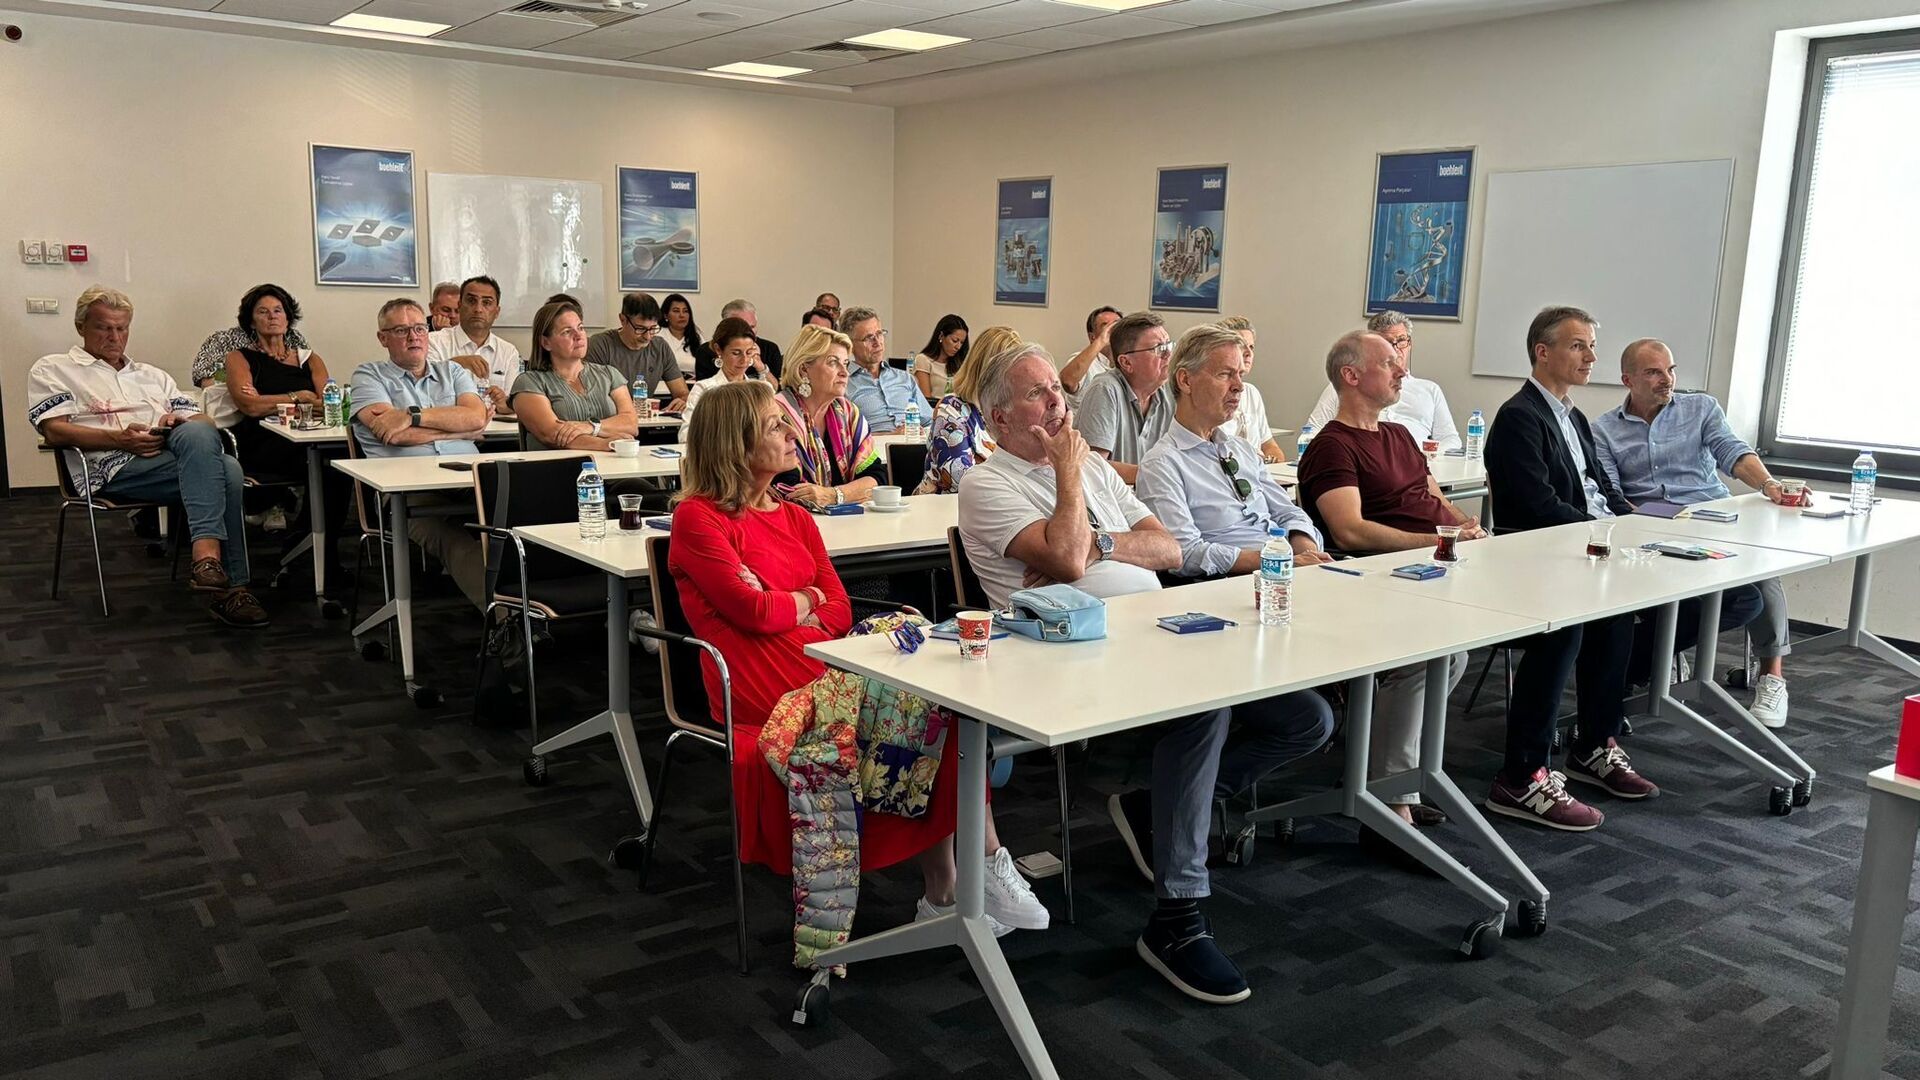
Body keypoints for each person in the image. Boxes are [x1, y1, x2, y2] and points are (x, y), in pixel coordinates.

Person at [669, 379, 1046, 934]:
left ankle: (965, 879)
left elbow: (839, 609)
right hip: (765, 696)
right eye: (775, 425)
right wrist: (803, 601)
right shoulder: (699, 518)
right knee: (926, 719)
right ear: (734, 442)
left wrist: (793, 602)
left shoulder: (795, 516)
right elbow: (752, 612)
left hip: (832, 674)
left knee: (944, 714)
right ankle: (954, 887)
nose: (792, 432)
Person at [956, 342, 1251, 1005]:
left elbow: (1169, 547)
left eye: (1056, 391)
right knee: (1205, 709)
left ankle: (1157, 807)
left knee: (1302, 716)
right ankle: (1177, 918)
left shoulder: (1094, 469)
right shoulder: (987, 484)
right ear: (999, 418)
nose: (1057, 403)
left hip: (1154, 632)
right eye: (1037, 394)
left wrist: (1102, 541)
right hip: (1066, 656)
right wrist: (1068, 477)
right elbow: (1065, 561)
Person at [1484, 306, 1760, 830]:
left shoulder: (1573, 417)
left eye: (1592, 346)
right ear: (1543, 352)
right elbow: (1536, 507)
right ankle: (1521, 776)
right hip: (1544, 559)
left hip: (1589, 548)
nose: (1591, 356)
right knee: (1569, 630)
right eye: (1578, 346)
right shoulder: (1520, 417)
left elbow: (1602, 489)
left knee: (1622, 617)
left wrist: (1628, 524)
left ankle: (1593, 745)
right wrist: (1607, 533)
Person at [1128, 324, 1339, 865]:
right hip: (1226, 604)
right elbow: (1185, 553)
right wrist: (1274, 561)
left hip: (1285, 583)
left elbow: (1290, 509)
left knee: (1353, 681)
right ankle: (1172, 804)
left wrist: (1300, 545)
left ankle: (1175, 801)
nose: (1238, 387)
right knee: (1311, 719)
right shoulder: (1163, 463)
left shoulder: (1239, 449)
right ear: (1185, 380)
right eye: (1225, 374)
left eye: (1240, 375)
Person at [1294, 329, 1485, 849]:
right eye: (1388, 362)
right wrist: (1439, 541)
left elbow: (1433, 499)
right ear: (1351, 376)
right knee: (1428, 659)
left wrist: (1467, 528)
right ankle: (1389, 799)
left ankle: (1394, 778)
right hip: (1373, 581)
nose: (1402, 370)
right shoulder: (1332, 446)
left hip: (1428, 570)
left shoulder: (1399, 435)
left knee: (1455, 655)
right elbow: (1350, 532)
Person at [29, 286, 267, 627]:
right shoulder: (53, 368)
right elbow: (55, 431)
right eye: (103, 327)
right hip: (108, 467)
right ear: (81, 327)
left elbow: (204, 421)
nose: (114, 337)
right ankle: (227, 584)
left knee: (201, 435)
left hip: (169, 456)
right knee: (227, 470)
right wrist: (119, 439)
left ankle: (209, 563)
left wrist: (175, 420)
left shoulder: (153, 375)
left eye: (121, 328)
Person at [1592, 338, 1798, 726]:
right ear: (1628, 380)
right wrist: (1640, 520)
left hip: (1712, 517)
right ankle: (1666, 650)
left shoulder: (1700, 408)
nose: (1666, 379)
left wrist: (1768, 484)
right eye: (1653, 372)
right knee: (1648, 576)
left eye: (1670, 370)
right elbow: (1610, 492)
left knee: (1762, 571)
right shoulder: (1603, 429)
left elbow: (1733, 452)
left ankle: (1772, 678)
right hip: (1651, 527)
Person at [350, 298, 493, 608]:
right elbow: (394, 435)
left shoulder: (453, 371)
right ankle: (510, 622)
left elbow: (475, 417)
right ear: (383, 338)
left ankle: (551, 605)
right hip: (407, 493)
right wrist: (458, 431)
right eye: (402, 330)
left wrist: (411, 415)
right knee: (453, 539)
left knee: (525, 518)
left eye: (419, 328)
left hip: (468, 480)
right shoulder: (368, 376)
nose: (413, 336)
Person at [220, 283, 350, 578]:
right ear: (251, 321)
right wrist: (298, 396)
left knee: (341, 461)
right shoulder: (239, 358)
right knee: (330, 468)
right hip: (263, 444)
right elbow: (250, 406)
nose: (272, 317)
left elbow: (326, 402)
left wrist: (273, 401)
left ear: (288, 317)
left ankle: (310, 543)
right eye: (263, 312)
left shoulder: (309, 358)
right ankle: (312, 549)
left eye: (278, 310)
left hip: (307, 439)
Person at [1302, 311, 1459, 451]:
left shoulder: (1429, 390)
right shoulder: (1350, 383)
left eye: (1401, 340)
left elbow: (1451, 440)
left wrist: (1424, 456)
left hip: (1419, 464)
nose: (1395, 349)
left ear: (1410, 344)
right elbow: (1312, 432)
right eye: (1386, 343)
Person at [773, 324, 887, 507]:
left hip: (845, 519)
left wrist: (834, 495)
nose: (844, 372)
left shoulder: (848, 413)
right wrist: (852, 493)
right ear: (803, 369)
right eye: (833, 362)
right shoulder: (776, 415)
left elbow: (877, 478)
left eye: (846, 363)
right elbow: (788, 488)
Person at [509, 299, 641, 452]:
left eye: (581, 328)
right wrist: (606, 443)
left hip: (613, 462)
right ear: (546, 343)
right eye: (567, 332)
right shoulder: (529, 382)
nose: (579, 336)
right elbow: (552, 433)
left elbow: (630, 423)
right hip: (558, 464)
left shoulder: (609, 374)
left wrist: (590, 427)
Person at [916, 326, 1020, 495]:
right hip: (946, 506)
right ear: (987, 371)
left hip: (1000, 502)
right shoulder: (951, 410)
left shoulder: (1011, 411)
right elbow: (960, 481)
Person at [1074, 311, 1174, 485]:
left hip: (1154, 492)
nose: (1168, 355)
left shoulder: (1169, 391)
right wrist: (1155, 475)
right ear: (1126, 363)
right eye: (1158, 349)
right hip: (1113, 497)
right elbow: (1092, 467)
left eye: (1168, 345)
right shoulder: (1105, 389)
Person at [425, 275, 522, 415]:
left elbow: (511, 403)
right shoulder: (433, 342)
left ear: (497, 312)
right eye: (471, 301)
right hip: (446, 426)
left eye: (487, 303)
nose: (478, 309)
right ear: (460, 306)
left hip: (495, 427)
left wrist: (504, 404)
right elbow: (423, 389)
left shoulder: (508, 352)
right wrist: (456, 364)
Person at [584, 291, 688, 412]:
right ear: (623, 320)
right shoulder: (600, 345)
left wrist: (682, 402)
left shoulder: (660, 347)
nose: (648, 337)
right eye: (640, 329)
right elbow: (591, 398)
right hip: (610, 419)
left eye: (653, 328)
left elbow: (682, 393)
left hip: (645, 418)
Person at [679, 316, 775, 442]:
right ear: (718, 350)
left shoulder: (763, 389)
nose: (744, 360)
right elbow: (685, 436)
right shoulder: (704, 389)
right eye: (736, 353)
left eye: (749, 352)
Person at [840, 306, 929, 435]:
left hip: (914, 443)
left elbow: (929, 422)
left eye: (879, 334)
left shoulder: (905, 378)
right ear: (850, 345)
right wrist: (891, 436)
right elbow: (843, 438)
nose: (877, 342)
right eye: (868, 338)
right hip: (873, 446)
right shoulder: (843, 384)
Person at [1215, 316, 1286, 464]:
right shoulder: (1213, 393)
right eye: (1241, 346)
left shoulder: (1251, 392)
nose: (1248, 353)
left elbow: (1270, 446)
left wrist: (1271, 460)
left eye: (1252, 347)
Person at [695, 299, 784, 381]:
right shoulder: (706, 351)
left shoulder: (770, 348)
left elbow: (776, 389)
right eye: (742, 326)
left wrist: (760, 366)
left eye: (752, 327)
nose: (749, 332)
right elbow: (706, 389)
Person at [1059, 304, 1121, 405]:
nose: (1113, 329)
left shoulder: (1128, 364)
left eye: (1117, 324)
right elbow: (1068, 381)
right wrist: (1102, 340)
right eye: (1105, 325)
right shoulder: (1084, 362)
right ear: (1092, 337)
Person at [911, 314, 969, 399]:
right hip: (933, 406)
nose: (958, 347)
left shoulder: (959, 363)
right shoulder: (923, 360)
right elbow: (926, 399)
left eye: (962, 343)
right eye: (955, 341)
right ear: (941, 335)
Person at [661, 293, 702, 377]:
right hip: (663, 382)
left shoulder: (697, 337)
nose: (682, 315)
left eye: (685, 311)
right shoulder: (658, 335)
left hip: (694, 382)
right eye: (676, 311)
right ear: (666, 315)